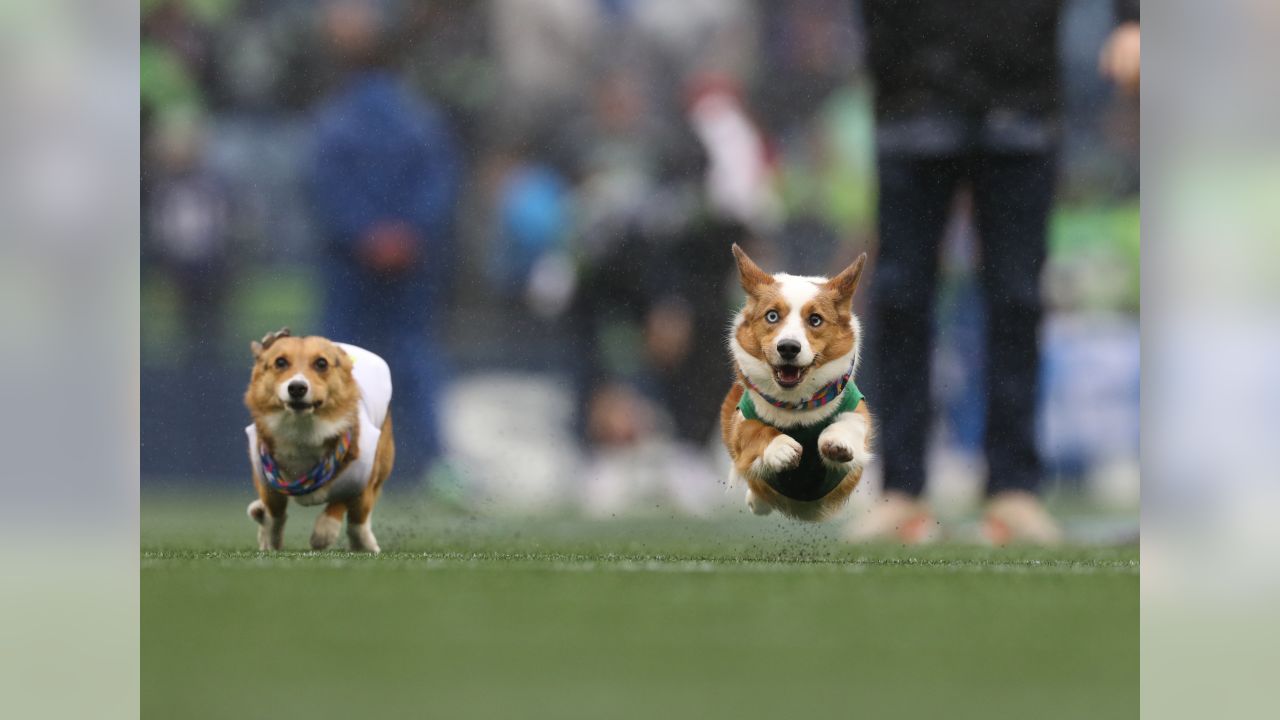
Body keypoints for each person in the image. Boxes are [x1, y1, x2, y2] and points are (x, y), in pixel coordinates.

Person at [851, 0, 1139, 544]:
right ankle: (900, 489)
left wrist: (1130, 20)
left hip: (1019, 95)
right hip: (911, 90)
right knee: (902, 298)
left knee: (1017, 298)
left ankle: (1013, 491)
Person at [308, 0, 460, 480]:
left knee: (333, 361)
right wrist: (407, 233)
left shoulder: (335, 120)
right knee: (413, 356)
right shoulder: (419, 119)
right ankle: (436, 466)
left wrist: (365, 235)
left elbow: (323, 188)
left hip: (352, 261)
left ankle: (324, 464)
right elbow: (439, 184)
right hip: (410, 260)